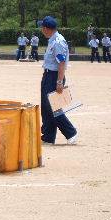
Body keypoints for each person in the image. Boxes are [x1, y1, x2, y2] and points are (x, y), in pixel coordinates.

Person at [39, 16, 77, 145]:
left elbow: (61, 63)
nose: (41, 30)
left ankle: (70, 132)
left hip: (55, 77)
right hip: (48, 75)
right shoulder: (52, 40)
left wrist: (59, 82)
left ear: (45, 28)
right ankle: (48, 137)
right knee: (45, 107)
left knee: (53, 107)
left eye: (42, 27)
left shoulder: (58, 42)